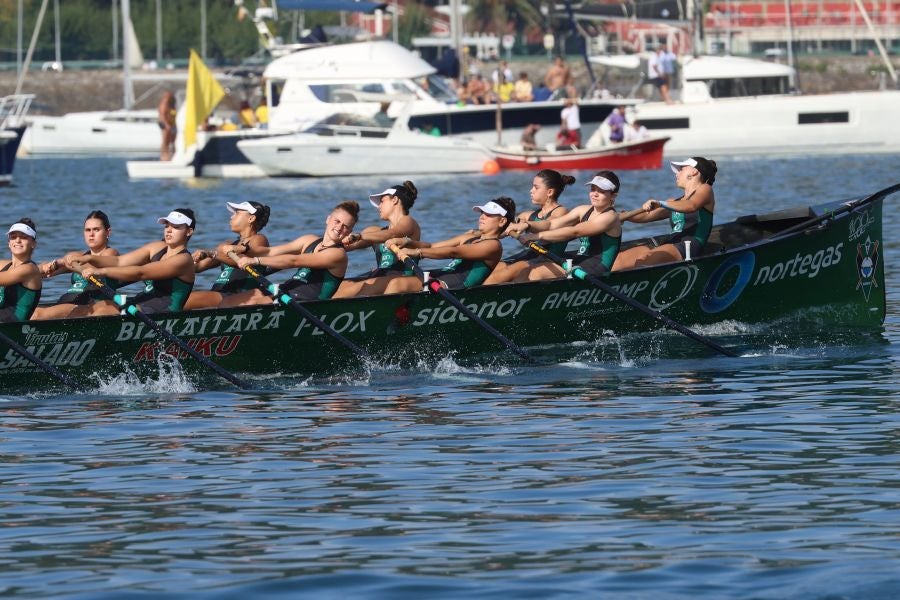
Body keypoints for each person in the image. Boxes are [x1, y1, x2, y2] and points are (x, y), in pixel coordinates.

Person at [219, 201, 360, 307]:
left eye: (346, 226)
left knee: (255, 302)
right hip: (286, 291)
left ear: (349, 231)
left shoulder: (338, 255)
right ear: (328, 219)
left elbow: (295, 261)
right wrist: (243, 249)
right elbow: (270, 251)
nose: (339, 228)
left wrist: (255, 260)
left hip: (307, 304)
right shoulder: (309, 240)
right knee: (231, 301)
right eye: (337, 221)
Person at [68, 209, 197, 316]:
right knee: (98, 305)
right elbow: (119, 261)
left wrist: (100, 271)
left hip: (163, 313)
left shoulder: (184, 260)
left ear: (189, 231)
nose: (168, 230)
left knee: (105, 310)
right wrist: (89, 259)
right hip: (143, 302)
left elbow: (140, 273)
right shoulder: (156, 247)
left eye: (176, 227)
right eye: (167, 225)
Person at [505, 171, 624, 282]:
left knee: (535, 273)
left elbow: (574, 232)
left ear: (613, 196)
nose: (595, 194)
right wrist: (526, 225)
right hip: (580, 260)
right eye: (593, 189)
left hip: (597, 267)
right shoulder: (582, 210)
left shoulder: (610, 217)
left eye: (601, 191)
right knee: (525, 269)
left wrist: (535, 236)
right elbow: (552, 224)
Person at [383, 197, 517, 292]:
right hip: (441, 275)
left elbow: (454, 252)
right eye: (482, 212)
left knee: (397, 284)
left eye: (489, 214)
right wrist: (409, 242)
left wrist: (417, 252)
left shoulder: (493, 246)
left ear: (502, 221)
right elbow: (432, 246)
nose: (482, 216)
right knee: (391, 279)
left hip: (455, 286)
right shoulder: (468, 237)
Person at [612, 157, 717, 270]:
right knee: (618, 261)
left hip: (689, 246)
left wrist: (661, 203)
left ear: (694, 171)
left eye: (681, 169)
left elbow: (692, 205)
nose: (677, 173)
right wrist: (623, 216)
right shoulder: (673, 202)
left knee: (646, 260)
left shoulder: (706, 189)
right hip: (670, 244)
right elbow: (646, 215)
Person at [333, 182, 421, 298]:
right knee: (341, 285)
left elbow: (392, 234)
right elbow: (346, 246)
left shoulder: (409, 222)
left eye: (382, 202)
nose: (379, 207)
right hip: (381, 276)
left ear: (394, 200)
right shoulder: (374, 231)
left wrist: (360, 236)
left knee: (364, 286)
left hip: (402, 279)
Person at [484, 170, 572, 284]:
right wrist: (481, 233)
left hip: (549, 260)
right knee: (495, 267)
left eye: (536, 187)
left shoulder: (561, 212)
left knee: (509, 271)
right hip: (530, 256)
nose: (531, 191)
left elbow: (548, 225)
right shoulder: (527, 215)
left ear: (549, 192)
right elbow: (500, 233)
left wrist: (526, 225)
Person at [32, 211, 119, 320]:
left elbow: (94, 270)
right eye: (88, 230)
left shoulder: (111, 253)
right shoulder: (78, 257)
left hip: (93, 305)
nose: (91, 234)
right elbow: (43, 272)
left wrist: (64, 262)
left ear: (108, 232)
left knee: (36, 315)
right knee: (31, 312)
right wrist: (44, 268)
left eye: (96, 230)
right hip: (70, 301)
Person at [184, 201, 271, 310]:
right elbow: (198, 267)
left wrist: (211, 253)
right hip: (219, 294)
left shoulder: (259, 239)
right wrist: (185, 261)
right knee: (177, 296)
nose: (231, 217)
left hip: (240, 296)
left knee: (186, 300)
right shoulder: (228, 244)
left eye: (237, 213)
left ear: (251, 219)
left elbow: (241, 261)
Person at [0, 219, 41, 322]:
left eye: (23, 237)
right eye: (13, 237)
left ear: (33, 244)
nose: (18, 240)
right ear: (9, 243)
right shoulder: (4, 265)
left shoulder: (30, 269)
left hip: (12, 324)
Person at [157, 91, 177, 161]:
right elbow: (162, 116)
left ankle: (174, 155)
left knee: (174, 141)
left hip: (172, 124)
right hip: (164, 123)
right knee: (166, 140)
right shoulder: (164, 104)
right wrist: (167, 125)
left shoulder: (173, 104)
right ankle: (164, 156)